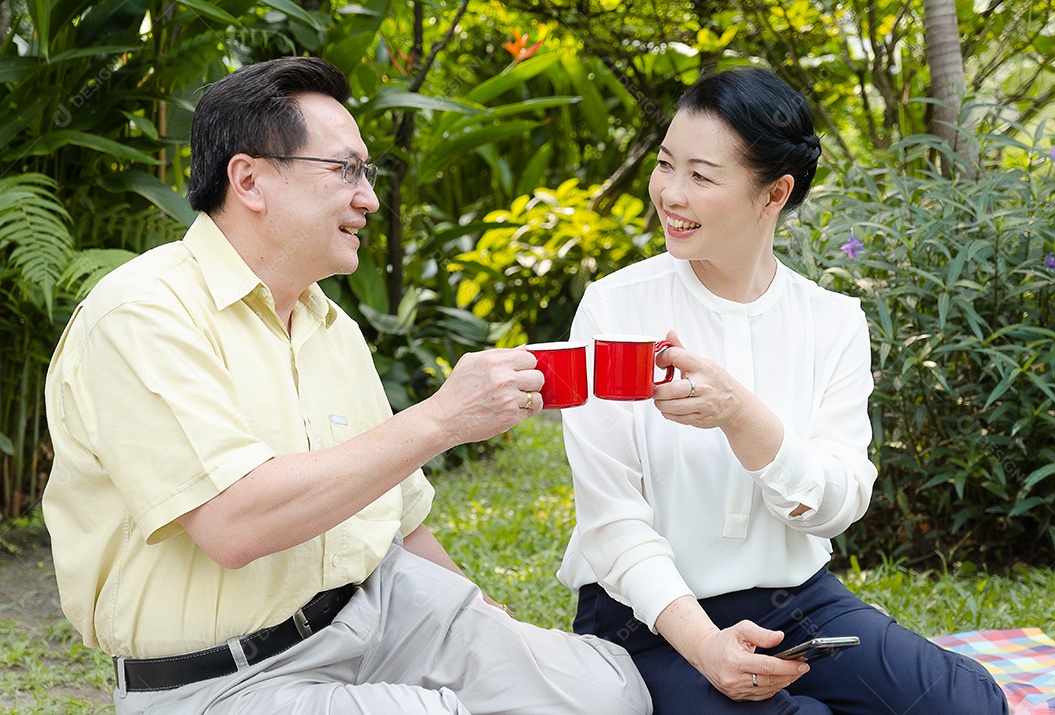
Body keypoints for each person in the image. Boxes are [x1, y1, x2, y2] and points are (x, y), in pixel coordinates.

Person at [42, 56, 651, 715]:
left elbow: (404, 521)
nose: (368, 198)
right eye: (345, 170)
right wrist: (442, 418)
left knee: (607, 693)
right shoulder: (141, 315)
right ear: (249, 180)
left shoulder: (328, 323)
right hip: (221, 677)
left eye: (366, 173)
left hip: (377, 608)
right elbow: (232, 523)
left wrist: (492, 625)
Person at [556, 66, 1008, 715]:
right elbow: (612, 523)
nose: (670, 193)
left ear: (775, 193)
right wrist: (706, 646)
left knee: (968, 701)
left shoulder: (832, 321)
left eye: (701, 176)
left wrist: (741, 415)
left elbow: (838, 504)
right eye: (665, 164)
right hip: (646, 620)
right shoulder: (615, 309)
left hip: (797, 602)